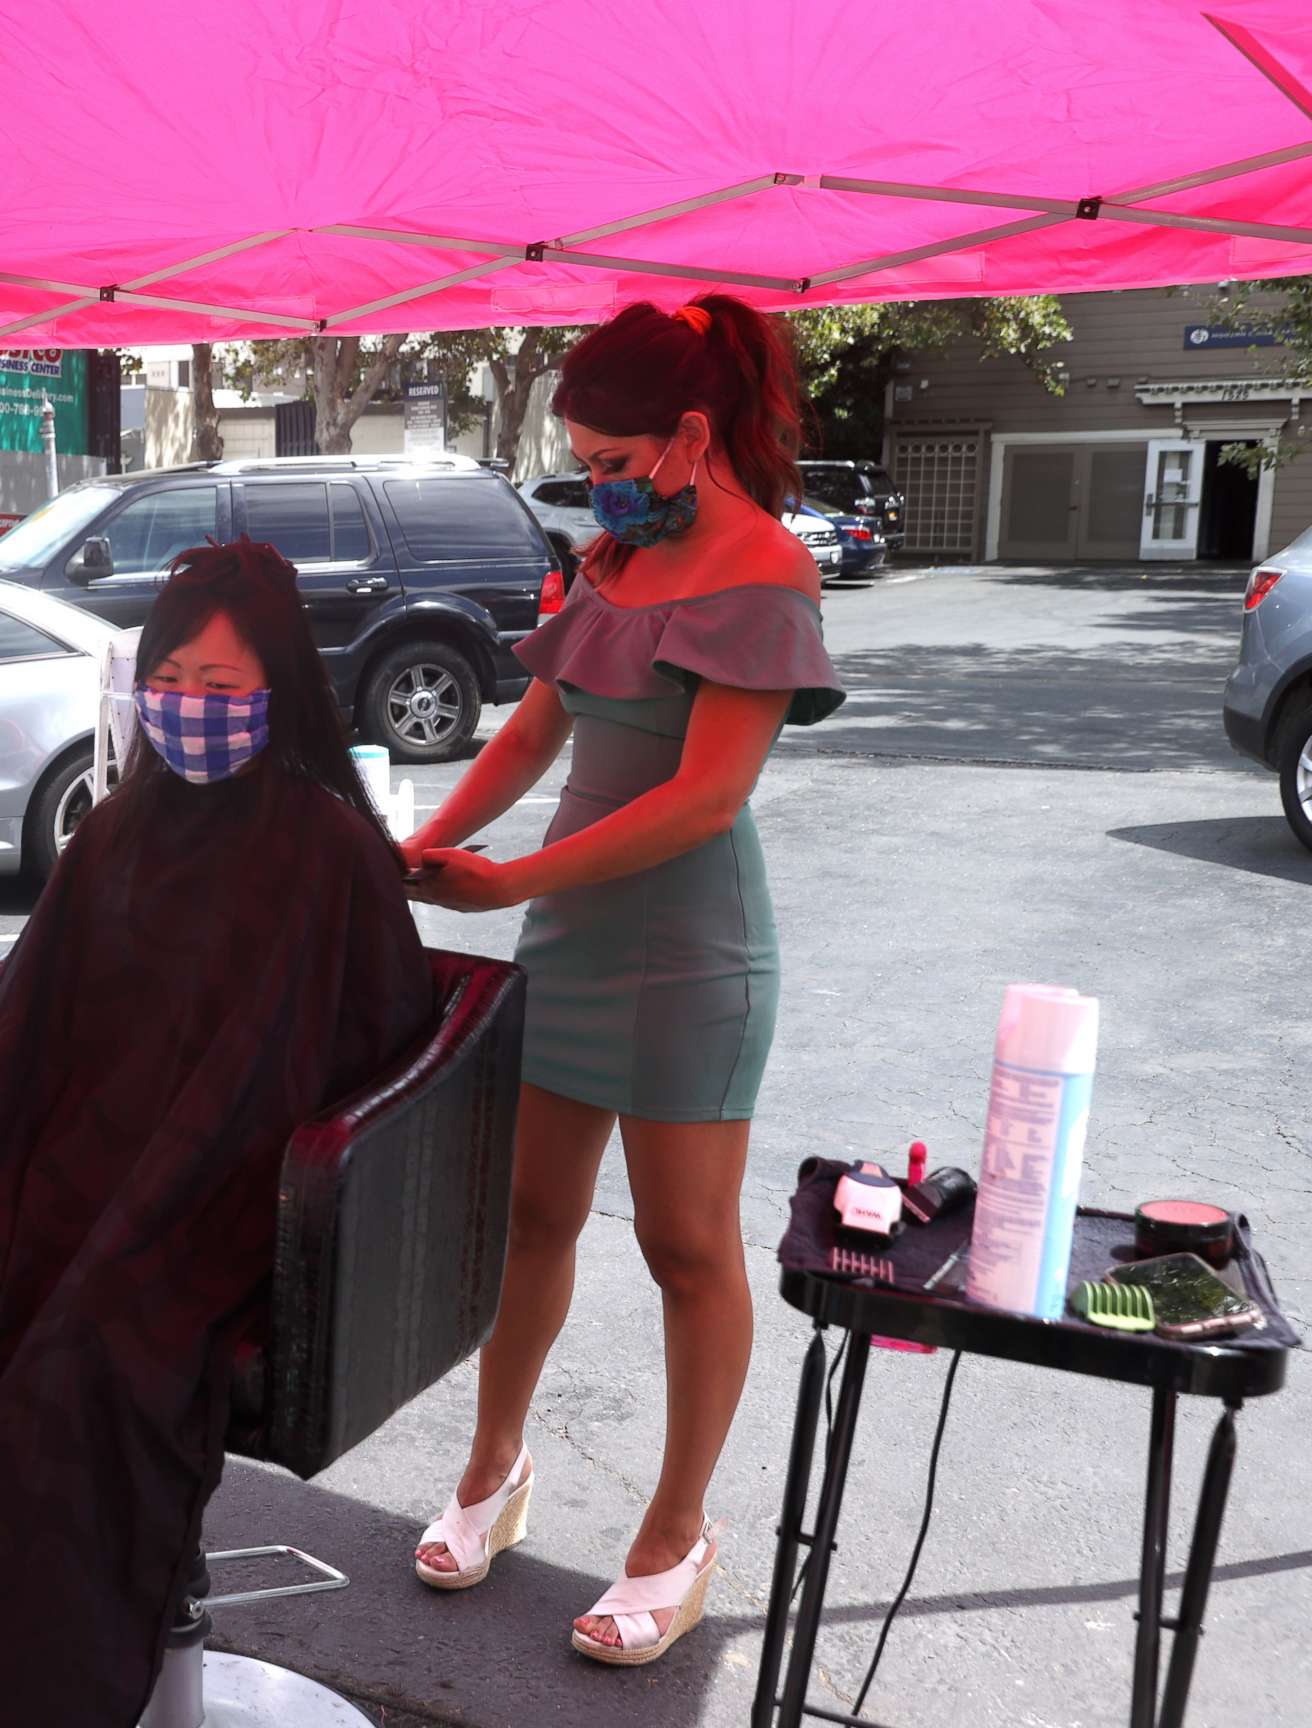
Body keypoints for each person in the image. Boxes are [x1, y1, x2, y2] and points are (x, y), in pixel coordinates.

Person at [0, 540, 433, 1728]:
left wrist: (192, 1159)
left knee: (75, 1364)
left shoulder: (327, 850)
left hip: (220, 1191)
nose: (195, 711)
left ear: (278, 692)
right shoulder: (118, 826)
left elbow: (376, 1031)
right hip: (63, 1149)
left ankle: (18, 1698)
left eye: (227, 690)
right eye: (173, 681)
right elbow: (29, 1019)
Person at [402, 296, 844, 1666]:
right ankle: (493, 1470)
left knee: (686, 1249)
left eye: (608, 454)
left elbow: (708, 800)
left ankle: (674, 1531)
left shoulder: (766, 570)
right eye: (581, 454)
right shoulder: (606, 560)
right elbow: (533, 733)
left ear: (689, 437)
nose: (593, 478)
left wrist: (511, 883)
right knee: (532, 1218)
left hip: (691, 952)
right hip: (573, 939)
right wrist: (433, 840)